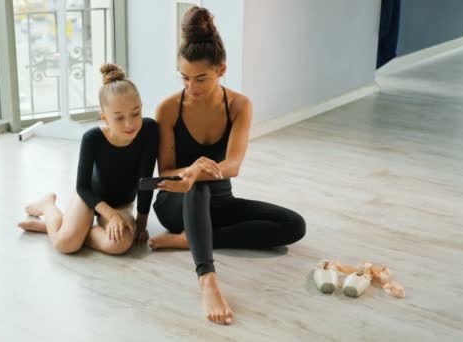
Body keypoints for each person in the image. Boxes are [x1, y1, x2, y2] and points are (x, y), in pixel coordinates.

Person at [149, 6, 306, 325]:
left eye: (201, 78)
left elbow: (233, 164)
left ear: (222, 69)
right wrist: (190, 171)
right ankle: (207, 278)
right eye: (185, 78)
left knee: (293, 226)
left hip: (220, 202)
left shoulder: (239, 105)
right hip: (175, 202)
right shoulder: (168, 108)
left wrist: (201, 171)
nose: (191, 87)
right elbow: (164, 172)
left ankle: (190, 238)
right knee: (198, 185)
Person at [18, 63, 158, 255]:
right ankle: (48, 206)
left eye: (136, 113)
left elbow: (145, 180)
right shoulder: (92, 138)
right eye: (119, 118)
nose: (129, 124)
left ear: (141, 108)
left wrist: (141, 223)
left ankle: (65, 229)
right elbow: (82, 187)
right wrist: (111, 216)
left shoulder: (149, 130)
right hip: (90, 198)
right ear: (104, 118)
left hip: (122, 204)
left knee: (121, 243)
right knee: (64, 245)